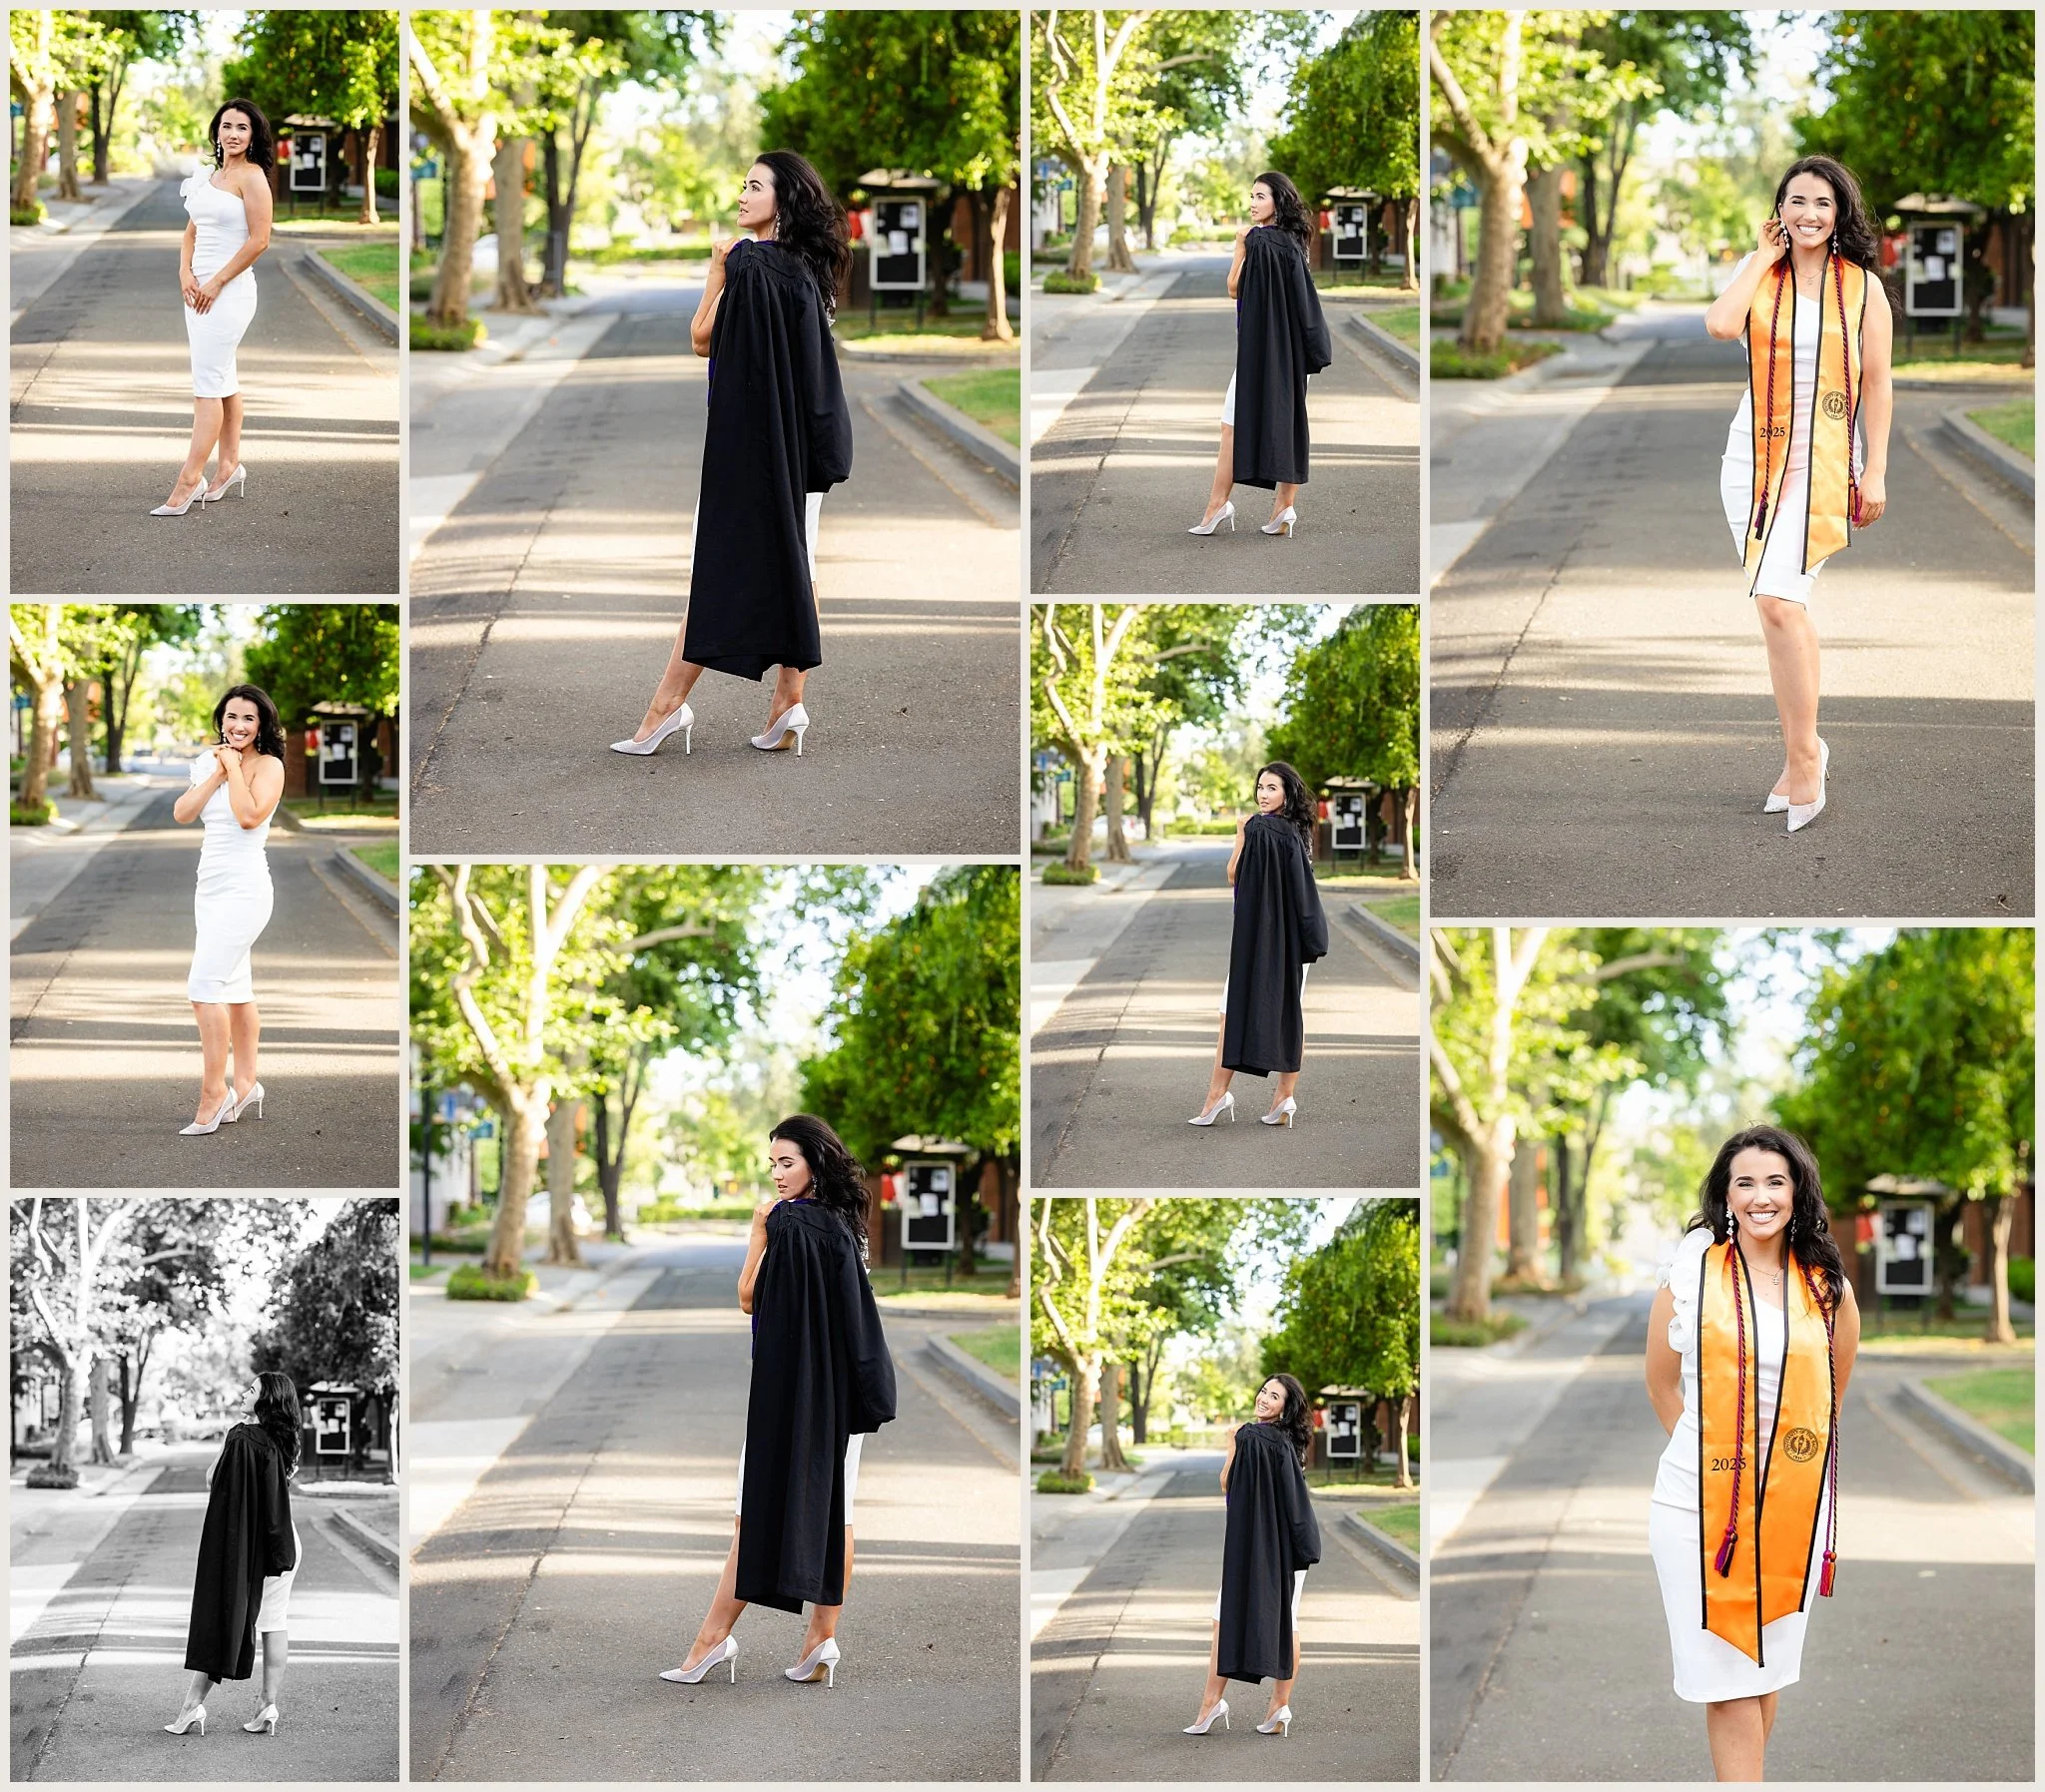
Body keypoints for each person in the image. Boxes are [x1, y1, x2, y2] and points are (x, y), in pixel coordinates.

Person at [615, 151, 853, 764]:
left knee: (714, 569)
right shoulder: (809, 271)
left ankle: (666, 709)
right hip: (804, 451)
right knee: (799, 566)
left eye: (754, 186)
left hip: (753, 456)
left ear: (784, 199)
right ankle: (787, 705)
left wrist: (716, 270)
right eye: (742, 184)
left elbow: (700, 338)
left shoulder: (747, 263)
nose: (742, 195)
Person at [1645, 1125, 1859, 1782]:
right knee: (1728, 1674)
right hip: (1699, 1504)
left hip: (1794, 1505)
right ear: (1725, 1193)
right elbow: (1660, 1379)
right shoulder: (1693, 1268)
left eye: (1776, 1180)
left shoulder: (1826, 1286)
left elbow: (1831, 1397)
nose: (1761, 1195)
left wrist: (1785, 1475)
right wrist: (1719, 1464)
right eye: (1746, 1181)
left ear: (1797, 1190)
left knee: (1764, 1671)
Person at [662, 1115, 896, 1690]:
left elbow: (749, 1298)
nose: (777, 1175)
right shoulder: (847, 1225)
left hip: (795, 1398)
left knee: (753, 1509)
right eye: (773, 1165)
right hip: (841, 1401)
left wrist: (757, 1235)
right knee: (837, 1514)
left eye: (787, 1162)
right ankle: (821, 1640)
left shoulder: (784, 1223)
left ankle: (711, 1640)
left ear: (815, 1161)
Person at [1704, 155, 1892, 834]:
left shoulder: (1863, 289)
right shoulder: (1762, 277)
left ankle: (1806, 754)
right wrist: (1758, 256)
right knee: (1778, 608)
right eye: (1796, 201)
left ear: (1840, 213)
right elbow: (1722, 326)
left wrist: (1875, 471)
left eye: (1822, 203)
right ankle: (1800, 753)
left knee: (1782, 603)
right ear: (1779, 209)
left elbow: (1878, 384)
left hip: (1824, 463)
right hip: (1751, 463)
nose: (1809, 214)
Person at [1189, 172, 1331, 540]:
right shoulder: (1295, 240)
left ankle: (1216, 506)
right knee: (1289, 421)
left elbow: (1235, 288)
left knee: (1230, 425)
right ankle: (1285, 508)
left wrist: (1240, 247)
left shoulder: (1259, 240)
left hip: (1265, 352)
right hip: (1295, 352)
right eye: (1251, 195)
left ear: (1278, 201)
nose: (1253, 203)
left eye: (1260, 196)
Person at [171, 684, 285, 1135]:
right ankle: (247, 1083)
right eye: (232, 716)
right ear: (221, 718)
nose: (238, 726)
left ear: (262, 727)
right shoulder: (208, 761)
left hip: (246, 889)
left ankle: (214, 1093)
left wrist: (236, 769)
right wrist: (217, 771)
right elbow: (182, 812)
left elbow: (248, 816)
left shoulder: (270, 766)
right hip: (210, 888)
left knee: (203, 988)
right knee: (236, 988)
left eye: (249, 719)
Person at [1190, 763, 1329, 1128]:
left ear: (1287, 793)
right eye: (1260, 787)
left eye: (1272, 788)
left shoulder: (1258, 828)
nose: (1263, 794)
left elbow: (1234, 876)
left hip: (1262, 939)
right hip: (1296, 939)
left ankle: (1216, 1097)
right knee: (1289, 1013)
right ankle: (1285, 1099)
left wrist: (1240, 836)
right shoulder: (1300, 831)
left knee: (1229, 1012)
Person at [165, 1371, 302, 1738]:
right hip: (284, 1543)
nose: (244, 1392)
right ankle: (266, 1707)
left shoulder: (241, 1437)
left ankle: (191, 1708)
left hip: (250, 1546)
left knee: (223, 1617)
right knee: (274, 1622)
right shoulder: (281, 1441)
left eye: (252, 1390)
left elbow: (214, 1480)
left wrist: (228, 1440)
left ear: (265, 1400)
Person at [1183, 1373, 1321, 1738]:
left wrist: (1232, 1447)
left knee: (1222, 1619)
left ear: (1284, 1408)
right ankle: (1280, 1706)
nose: (1264, 1398)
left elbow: (1230, 1486)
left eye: (1273, 1396)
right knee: (1287, 1624)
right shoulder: (1289, 1441)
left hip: (1265, 1550)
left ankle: (1211, 1704)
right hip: (1292, 1549)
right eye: (1264, 1391)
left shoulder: (1251, 1436)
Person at [154, 99, 274, 517]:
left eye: (243, 127)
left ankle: (189, 479)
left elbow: (259, 240)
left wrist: (217, 282)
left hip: (229, 295)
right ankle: (228, 465)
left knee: (207, 385)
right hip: (197, 292)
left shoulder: (253, 178)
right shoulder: (209, 176)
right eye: (227, 126)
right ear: (217, 131)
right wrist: (185, 273)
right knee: (223, 378)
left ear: (254, 136)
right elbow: (192, 230)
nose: (233, 134)